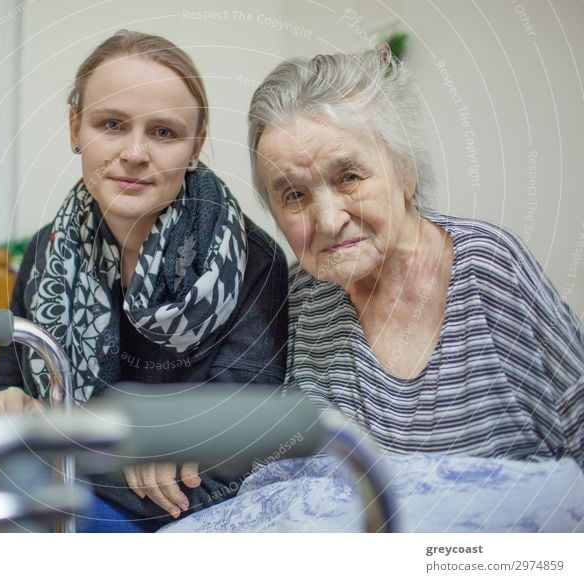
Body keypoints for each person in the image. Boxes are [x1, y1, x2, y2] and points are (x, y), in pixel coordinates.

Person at [0, 30, 288, 532]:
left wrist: (51, 434)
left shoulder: (254, 262)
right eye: (112, 124)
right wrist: (5, 409)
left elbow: (236, 451)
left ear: (195, 147)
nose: (136, 152)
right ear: (75, 126)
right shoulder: (45, 253)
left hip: (190, 520)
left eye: (164, 132)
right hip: (64, 494)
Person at [247, 48, 583, 464]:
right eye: (294, 195)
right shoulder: (298, 297)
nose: (329, 221)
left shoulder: (488, 267)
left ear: (406, 172)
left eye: (349, 177)